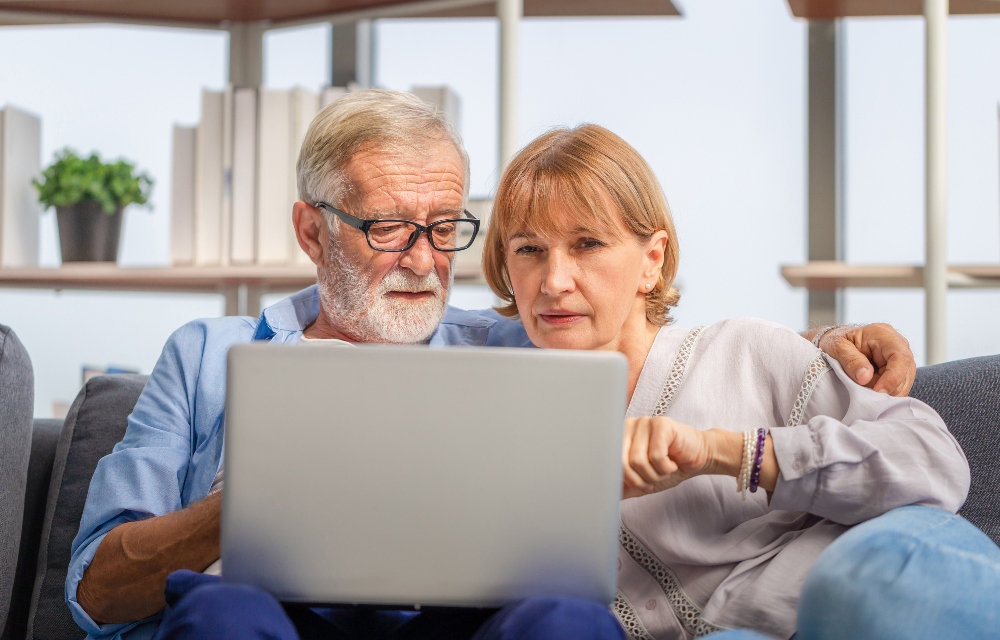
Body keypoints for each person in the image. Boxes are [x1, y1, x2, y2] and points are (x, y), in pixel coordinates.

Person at [69, 90, 919, 640]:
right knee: (220, 613)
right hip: (262, 616)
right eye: (389, 227)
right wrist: (251, 505)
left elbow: (645, 338)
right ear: (310, 230)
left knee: (566, 620)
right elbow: (95, 591)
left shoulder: (515, 347)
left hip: (462, 627)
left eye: (445, 228)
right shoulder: (206, 355)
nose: (423, 259)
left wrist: (827, 349)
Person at [480, 123, 999, 639]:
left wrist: (722, 452)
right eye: (529, 250)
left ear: (651, 261)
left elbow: (932, 461)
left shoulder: (743, 352)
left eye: (587, 244)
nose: (553, 281)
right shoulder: (504, 425)